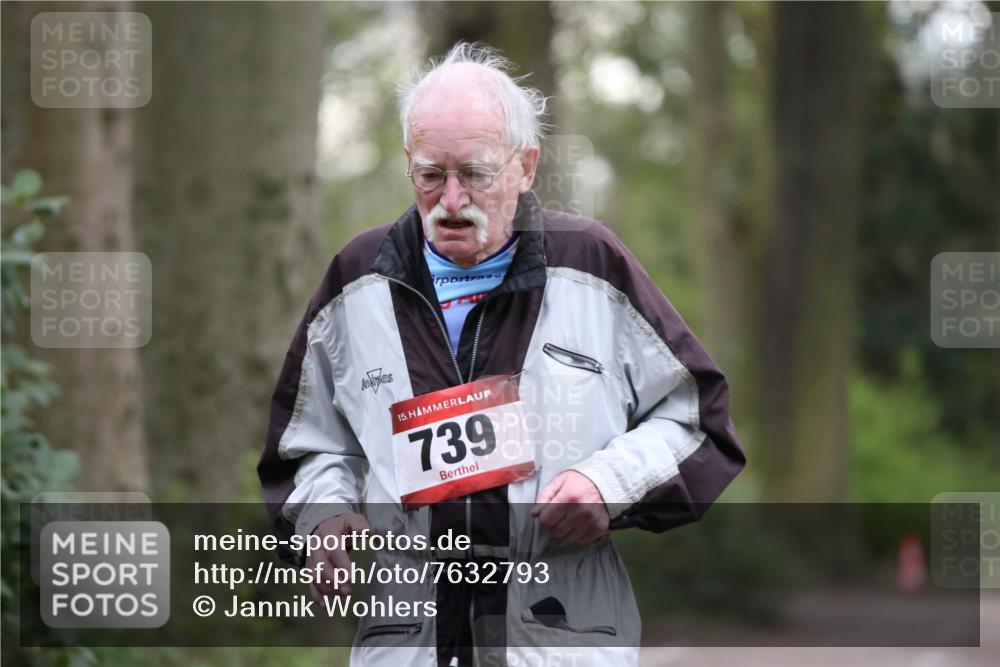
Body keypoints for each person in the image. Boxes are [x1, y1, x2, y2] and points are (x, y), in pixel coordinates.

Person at [259, 42, 745, 667]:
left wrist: (607, 483)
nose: (451, 199)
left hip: (560, 631)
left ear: (526, 165)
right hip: (409, 637)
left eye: (475, 174)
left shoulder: (592, 264)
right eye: (430, 175)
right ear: (408, 162)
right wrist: (326, 517)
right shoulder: (357, 279)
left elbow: (696, 421)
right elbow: (310, 445)